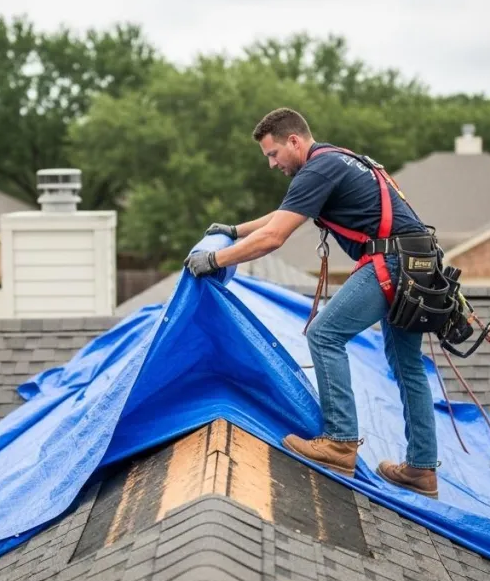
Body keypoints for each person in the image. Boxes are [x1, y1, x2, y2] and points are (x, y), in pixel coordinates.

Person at [182, 107, 441, 498]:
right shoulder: (334, 161)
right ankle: (422, 470)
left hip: (392, 263)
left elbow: (274, 238)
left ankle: (339, 443)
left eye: (273, 155)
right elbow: (282, 215)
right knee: (407, 366)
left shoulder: (319, 169)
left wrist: (215, 259)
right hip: (418, 264)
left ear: (294, 142)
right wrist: (235, 231)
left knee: (324, 334)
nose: (272, 165)